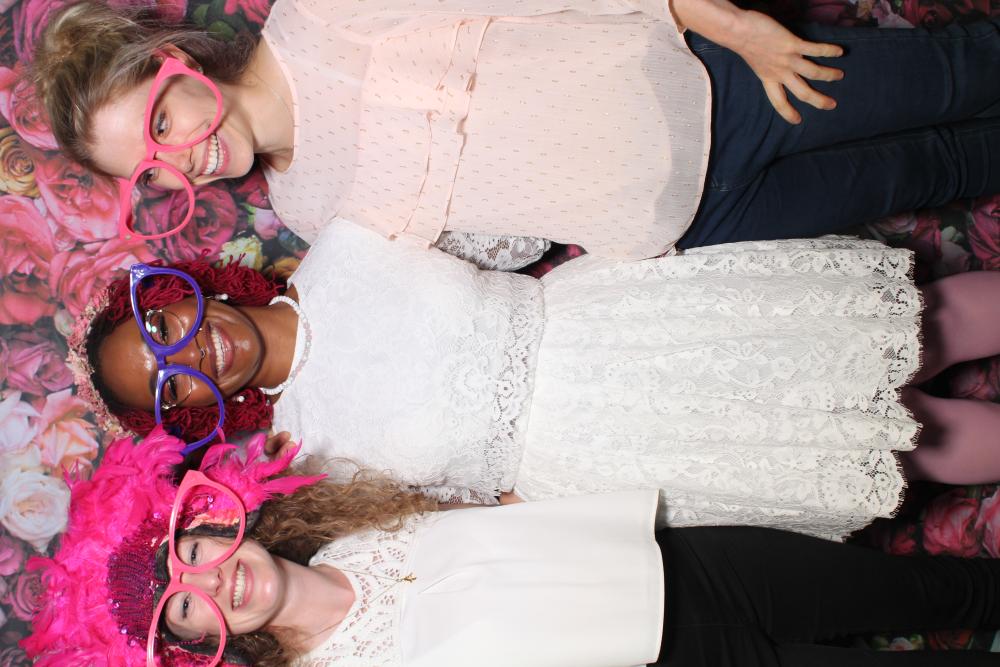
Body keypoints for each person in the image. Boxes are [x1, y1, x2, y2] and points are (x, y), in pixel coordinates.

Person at [68, 224, 1000, 540]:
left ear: (179, 292)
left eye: (162, 331)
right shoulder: (308, 453)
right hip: (603, 458)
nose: (190, 357)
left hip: (620, 320)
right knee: (913, 445)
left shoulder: (346, 239)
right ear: (190, 414)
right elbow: (456, 516)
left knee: (912, 329)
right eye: (168, 387)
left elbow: (510, 224)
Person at [31, 0, 1000, 263]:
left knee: (962, 73)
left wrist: (734, 25)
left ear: (176, 62)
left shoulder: (321, 16)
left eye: (161, 121)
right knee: (939, 169)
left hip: (717, 84)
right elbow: (503, 245)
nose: (181, 158)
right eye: (149, 171)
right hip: (693, 219)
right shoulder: (308, 211)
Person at [22, 429, 1000, 666]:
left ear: (211, 519)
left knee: (931, 595)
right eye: (182, 604)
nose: (209, 579)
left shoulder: (349, 513)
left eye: (187, 551)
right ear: (200, 644)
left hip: (687, 566)